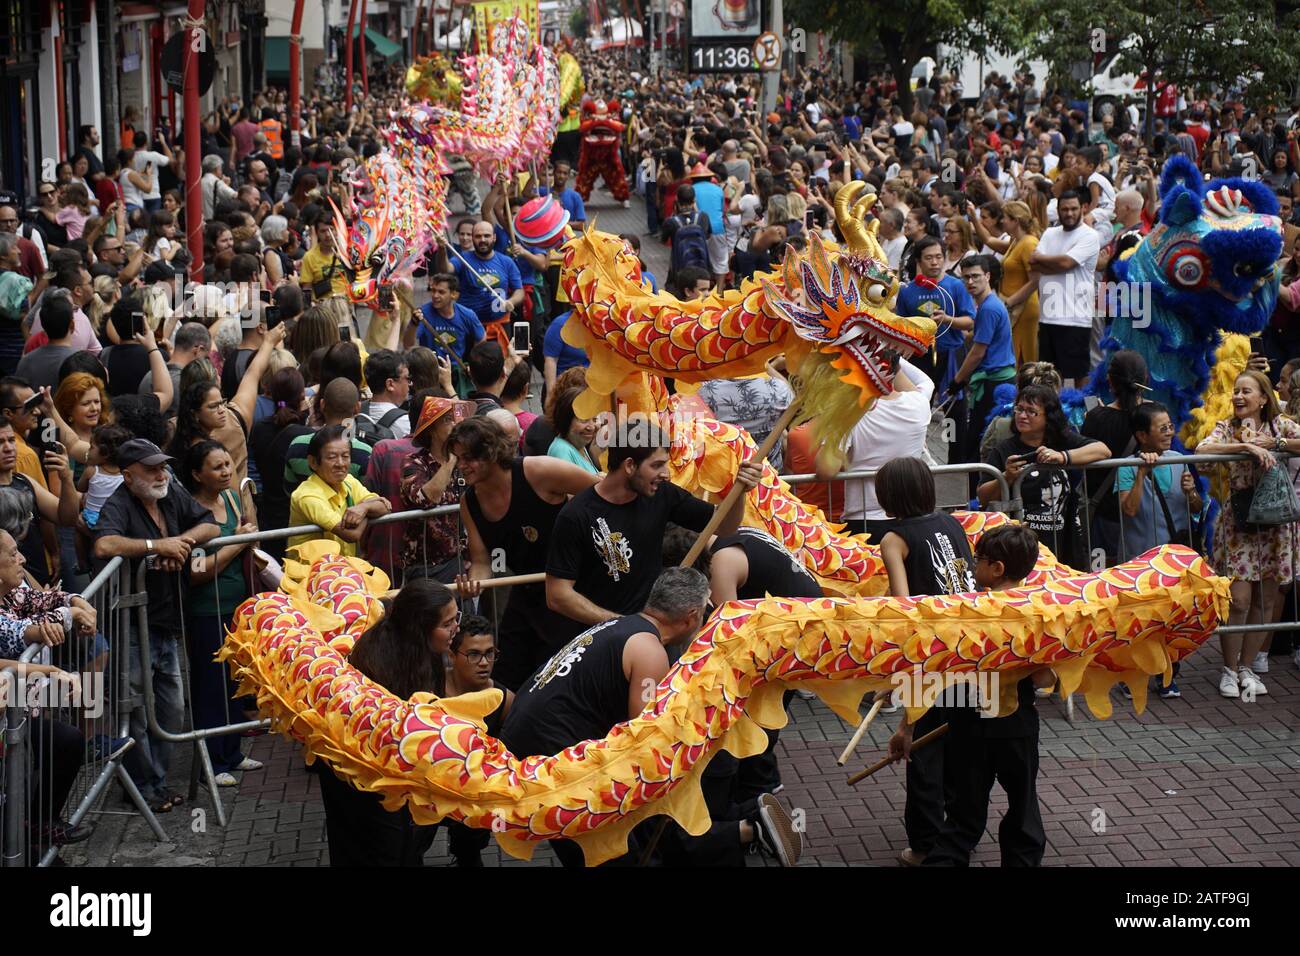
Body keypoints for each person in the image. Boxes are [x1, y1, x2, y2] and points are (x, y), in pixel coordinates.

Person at [498, 567, 802, 868]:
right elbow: (642, 738)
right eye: (706, 607)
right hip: (546, 759)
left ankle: (745, 829)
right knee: (607, 853)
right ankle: (745, 829)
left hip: (532, 744)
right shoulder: (649, 651)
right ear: (691, 616)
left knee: (616, 842)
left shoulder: (623, 627)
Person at [92, 438, 221, 812]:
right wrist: (154, 546)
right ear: (129, 476)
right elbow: (104, 546)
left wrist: (178, 542)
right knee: (133, 709)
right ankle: (143, 787)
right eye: (151, 469)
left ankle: (156, 781)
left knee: (170, 711)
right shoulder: (119, 503)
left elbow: (209, 524)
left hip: (166, 621)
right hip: (132, 624)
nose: (161, 474)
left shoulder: (170, 495)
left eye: (162, 466)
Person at [545, 417, 761, 639]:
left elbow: (724, 526)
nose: (666, 473)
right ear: (629, 465)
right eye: (656, 465)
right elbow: (557, 595)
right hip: (600, 643)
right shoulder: (576, 515)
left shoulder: (662, 494)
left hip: (654, 634)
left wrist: (739, 492)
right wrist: (620, 624)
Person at [922, 523, 1052, 867]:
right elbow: (1043, 676)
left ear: (997, 569)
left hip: (967, 723)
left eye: (978, 559)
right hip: (1016, 727)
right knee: (1023, 807)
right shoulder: (1035, 613)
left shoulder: (966, 610)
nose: (973, 564)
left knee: (964, 814)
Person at [873, 456, 978, 867]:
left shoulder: (894, 539)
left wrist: (900, 675)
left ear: (889, 495)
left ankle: (924, 845)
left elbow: (906, 610)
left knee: (921, 749)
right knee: (959, 743)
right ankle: (961, 831)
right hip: (970, 644)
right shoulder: (952, 523)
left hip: (930, 651)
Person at [317, 580, 460, 866]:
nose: (456, 627)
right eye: (448, 623)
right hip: (360, 771)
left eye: (457, 618)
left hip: (391, 769)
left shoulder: (423, 652)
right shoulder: (376, 663)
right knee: (377, 849)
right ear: (421, 626)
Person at [452, 415, 597, 689]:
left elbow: (604, 491)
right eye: (458, 458)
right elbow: (482, 561)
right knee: (508, 674)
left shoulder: (537, 471)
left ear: (491, 452)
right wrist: (475, 582)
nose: (461, 466)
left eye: (468, 457)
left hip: (572, 588)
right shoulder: (469, 502)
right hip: (527, 595)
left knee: (562, 674)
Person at [1195, 369, 1300, 700]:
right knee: (1238, 600)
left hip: (1275, 525)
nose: (1239, 396)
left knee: (1266, 601)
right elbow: (1201, 450)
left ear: (1264, 398)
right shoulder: (1227, 427)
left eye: (1246, 391)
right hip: (1240, 525)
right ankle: (1227, 669)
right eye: (1236, 391)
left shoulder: (1280, 425)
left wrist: (1275, 443)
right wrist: (1246, 448)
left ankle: (1246, 667)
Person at [181, 439, 262, 786]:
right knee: (210, 687)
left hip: (237, 607)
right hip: (206, 611)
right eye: (217, 467)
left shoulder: (231, 498)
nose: (226, 471)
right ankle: (211, 765)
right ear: (198, 474)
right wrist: (237, 542)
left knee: (235, 681)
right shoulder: (191, 513)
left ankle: (231, 752)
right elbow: (198, 572)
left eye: (228, 464)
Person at [978, 385, 1111, 569]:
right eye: (1019, 409)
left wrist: (1063, 457)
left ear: (1048, 417)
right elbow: (983, 496)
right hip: (1021, 548)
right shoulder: (1003, 450)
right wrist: (1006, 477)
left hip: (1063, 544)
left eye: (1031, 412)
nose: (1022, 415)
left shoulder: (1061, 440)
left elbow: (1103, 451)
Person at [439, 612, 514, 866]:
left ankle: (467, 852)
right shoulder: (428, 690)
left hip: (472, 792)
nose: (484, 662)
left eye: (490, 653)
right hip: (428, 786)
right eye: (473, 654)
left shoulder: (502, 698)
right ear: (451, 656)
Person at [1007, 191, 1100, 389]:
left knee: (1079, 375)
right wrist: (1060, 263)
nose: (1069, 213)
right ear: (1057, 210)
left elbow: (1066, 263)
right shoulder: (1050, 233)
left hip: (1076, 318)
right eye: (1065, 209)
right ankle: (1052, 412)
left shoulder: (1090, 236)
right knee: (1049, 374)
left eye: (1074, 208)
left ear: (1082, 208)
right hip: (1048, 317)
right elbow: (1034, 262)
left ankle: (1087, 413)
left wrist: (1054, 262)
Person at [948, 255, 1016, 476]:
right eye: (966, 277)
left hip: (993, 382)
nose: (970, 282)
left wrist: (957, 381)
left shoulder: (988, 308)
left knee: (978, 442)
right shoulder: (986, 304)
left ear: (988, 276)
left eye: (976, 276)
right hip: (995, 379)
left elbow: (978, 353)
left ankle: (973, 498)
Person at [1082, 350, 1149, 565]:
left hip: (1104, 517)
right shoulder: (1154, 416)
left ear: (1110, 381)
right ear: (1144, 380)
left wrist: (1094, 418)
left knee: (1102, 583)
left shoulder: (1096, 417)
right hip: (1144, 517)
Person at [399, 396, 473, 581]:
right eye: (448, 420)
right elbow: (426, 498)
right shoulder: (415, 462)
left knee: (465, 609)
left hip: (460, 560)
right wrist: (450, 461)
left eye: (457, 419)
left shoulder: (466, 463)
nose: (455, 424)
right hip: (424, 567)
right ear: (431, 429)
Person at [287, 424, 391, 557]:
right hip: (312, 573)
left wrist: (364, 507)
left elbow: (385, 508)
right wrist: (368, 511)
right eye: (331, 457)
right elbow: (351, 534)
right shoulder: (307, 495)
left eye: (345, 456)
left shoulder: (349, 480)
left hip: (343, 571)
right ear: (313, 462)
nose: (340, 464)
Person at [436, 220, 523, 349]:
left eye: (486, 236)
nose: (482, 239)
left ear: (494, 237)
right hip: (468, 325)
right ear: (472, 238)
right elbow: (445, 269)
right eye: (478, 236)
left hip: (499, 324)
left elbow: (519, 291)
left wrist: (511, 301)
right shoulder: (463, 258)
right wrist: (442, 249)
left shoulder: (506, 262)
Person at [697, 371, 796, 471]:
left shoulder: (704, 391)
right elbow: (792, 398)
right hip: (769, 473)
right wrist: (768, 367)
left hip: (724, 472)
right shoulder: (777, 389)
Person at [357, 349, 412, 441]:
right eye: (407, 378)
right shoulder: (403, 422)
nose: (410, 384)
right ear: (390, 384)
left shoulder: (356, 412)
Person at [545, 386, 599, 474]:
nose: (592, 427)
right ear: (566, 419)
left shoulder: (578, 445)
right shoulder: (561, 450)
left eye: (594, 419)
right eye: (583, 419)